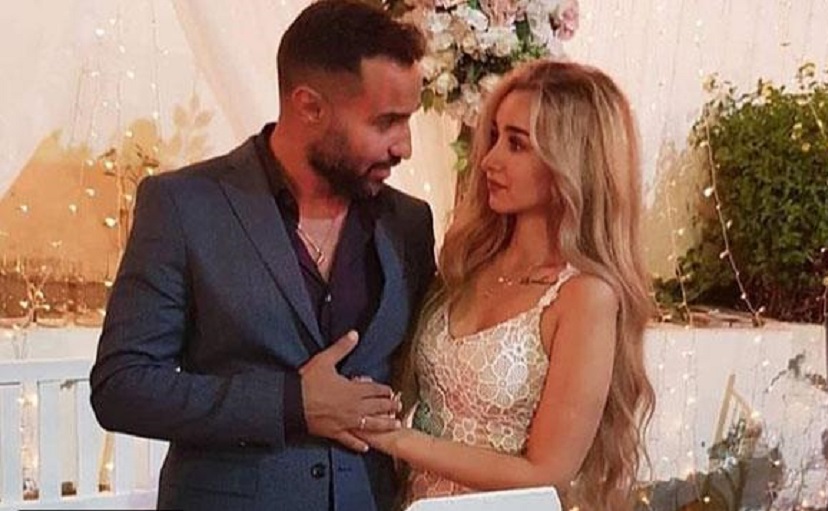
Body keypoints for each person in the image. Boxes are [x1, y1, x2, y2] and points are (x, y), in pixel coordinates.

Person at [89, 1, 435, 510]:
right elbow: (122, 387)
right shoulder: (184, 205)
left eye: (408, 120)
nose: (404, 147)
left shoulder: (409, 222)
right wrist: (290, 404)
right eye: (386, 122)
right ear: (309, 106)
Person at [356, 60, 655, 511]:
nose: (489, 159)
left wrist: (398, 440)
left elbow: (547, 471)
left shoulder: (585, 296)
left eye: (517, 144)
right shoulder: (469, 260)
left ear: (572, 161)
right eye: (494, 136)